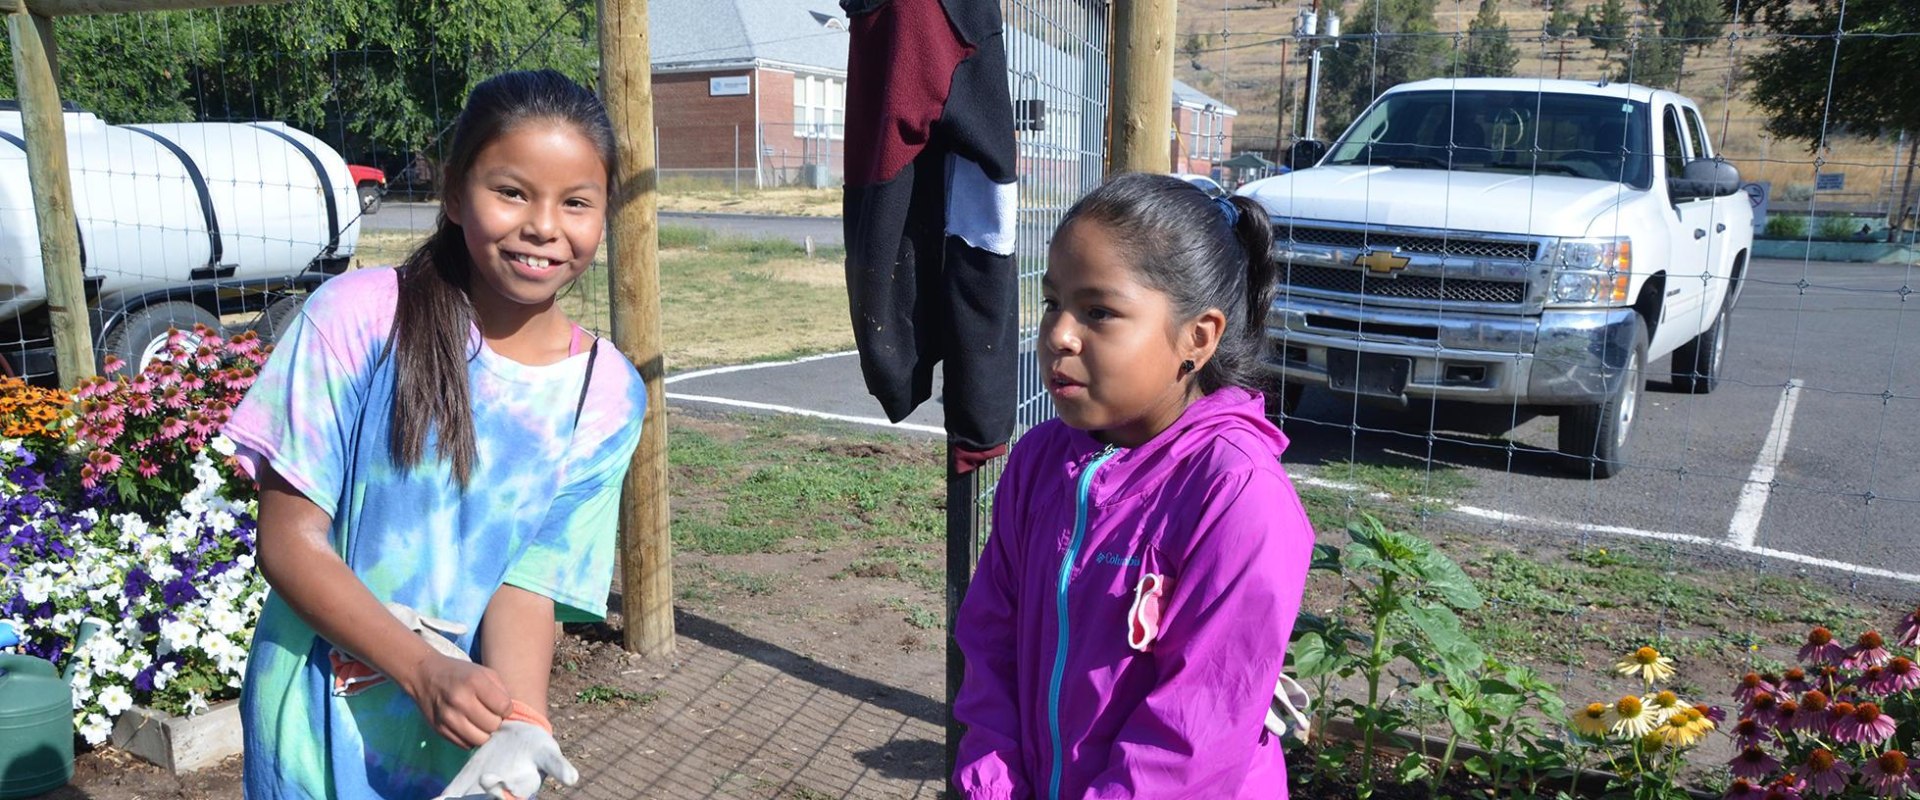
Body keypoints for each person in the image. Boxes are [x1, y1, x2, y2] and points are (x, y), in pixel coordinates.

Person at [223, 70, 645, 800]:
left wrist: (520, 722)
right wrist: (420, 668)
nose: (544, 225)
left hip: (464, 731)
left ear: (605, 214)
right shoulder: (358, 319)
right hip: (317, 723)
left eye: (576, 202)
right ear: (453, 193)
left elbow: (529, 580)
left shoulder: (603, 394)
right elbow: (290, 540)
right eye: (511, 191)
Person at [951, 173, 1316, 799]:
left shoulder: (1236, 496)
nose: (1059, 334)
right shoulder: (1039, 462)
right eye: (1051, 302)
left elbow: (1192, 738)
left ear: (1198, 338)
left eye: (1098, 311)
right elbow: (991, 646)